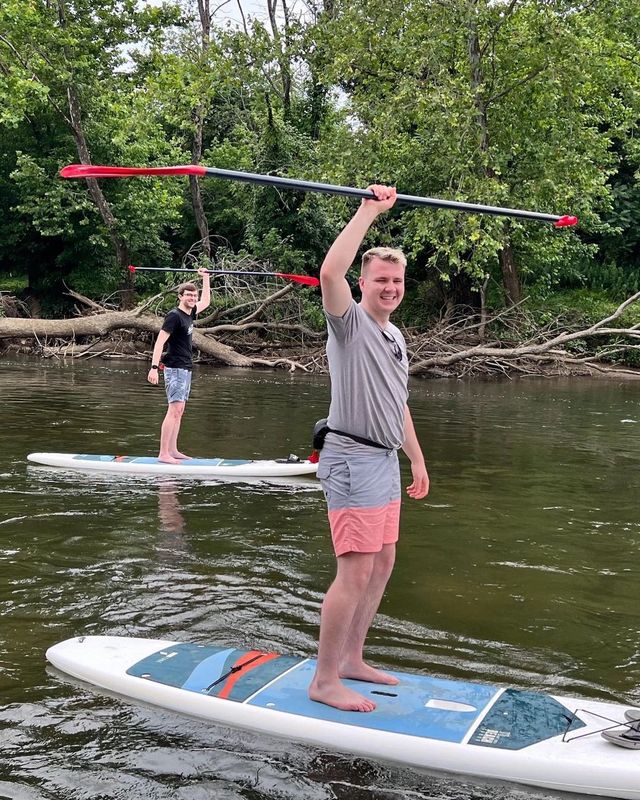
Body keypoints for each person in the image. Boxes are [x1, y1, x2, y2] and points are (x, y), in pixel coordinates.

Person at [309, 184, 430, 713]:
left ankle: (353, 660)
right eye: (381, 279)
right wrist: (369, 210)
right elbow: (329, 274)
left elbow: (397, 403)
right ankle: (324, 679)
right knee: (354, 571)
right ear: (365, 283)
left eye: (397, 280)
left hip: (384, 460)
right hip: (351, 459)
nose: (390, 287)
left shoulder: (397, 336)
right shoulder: (349, 325)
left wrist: (417, 458)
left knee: (382, 564)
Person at [147, 268, 211, 464]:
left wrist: (206, 278)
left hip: (185, 367)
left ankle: (173, 450)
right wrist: (154, 367)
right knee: (173, 409)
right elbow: (159, 342)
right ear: (180, 296)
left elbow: (206, 301)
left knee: (180, 410)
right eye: (189, 295)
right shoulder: (174, 316)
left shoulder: (190, 313)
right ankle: (163, 454)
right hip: (174, 367)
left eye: (194, 295)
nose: (192, 298)